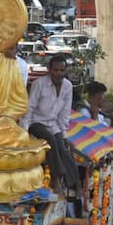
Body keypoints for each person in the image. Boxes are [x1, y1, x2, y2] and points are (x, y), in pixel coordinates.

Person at [21, 54, 80, 195]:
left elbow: (65, 113)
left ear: (65, 71)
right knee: (51, 140)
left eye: (61, 70)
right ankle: (57, 178)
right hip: (36, 122)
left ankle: (76, 183)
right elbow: (29, 108)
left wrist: (64, 135)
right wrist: (24, 130)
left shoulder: (67, 86)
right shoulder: (39, 84)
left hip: (53, 124)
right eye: (55, 70)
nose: (58, 73)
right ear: (49, 70)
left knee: (62, 147)